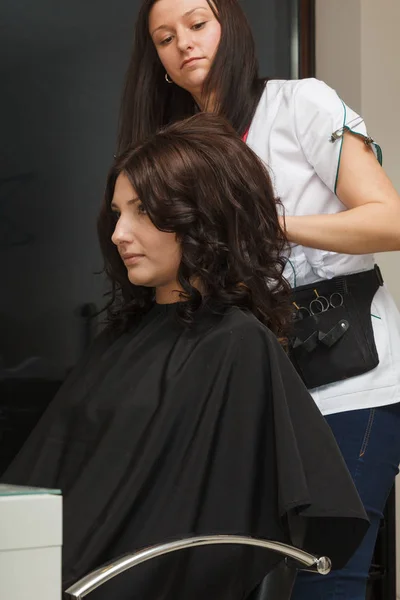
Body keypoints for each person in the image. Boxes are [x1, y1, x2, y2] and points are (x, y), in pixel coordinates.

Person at [3, 114, 368, 600]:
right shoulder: (122, 337)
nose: (119, 234)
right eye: (116, 213)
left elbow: (186, 516)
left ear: (202, 215)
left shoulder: (233, 344)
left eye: (142, 212)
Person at [115, 1, 400, 599]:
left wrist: (274, 225)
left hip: (351, 380)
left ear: (232, 27)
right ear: (159, 62)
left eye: (197, 24)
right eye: (165, 39)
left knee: (325, 575)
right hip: (254, 385)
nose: (183, 44)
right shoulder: (178, 148)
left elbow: (391, 221)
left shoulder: (300, 103)